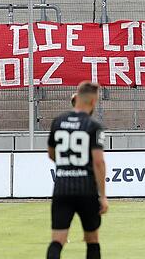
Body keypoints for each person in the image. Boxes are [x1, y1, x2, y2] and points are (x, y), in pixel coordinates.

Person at [46, 81, 107, 259]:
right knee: (92, 240)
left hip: (62, 189)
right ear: (93, 101)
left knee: (57, 240)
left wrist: (67, 166)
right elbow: (98, 162)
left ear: (76, 97)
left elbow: (51, 154)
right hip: (86, 190)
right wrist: (102, 196)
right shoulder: (94, 126)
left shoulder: (58, 122)